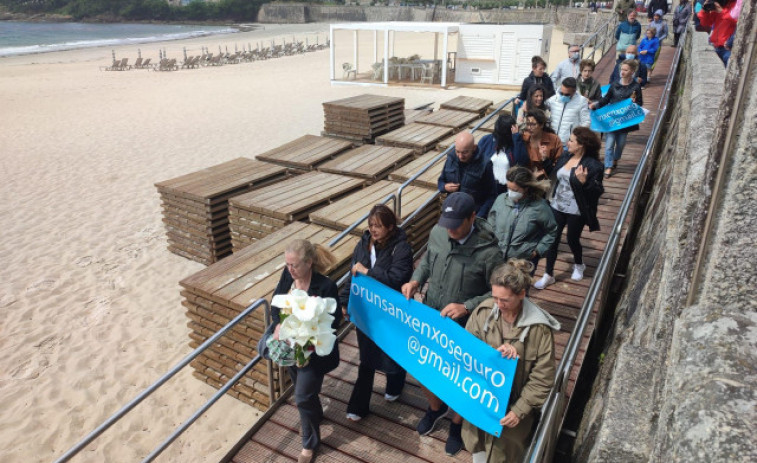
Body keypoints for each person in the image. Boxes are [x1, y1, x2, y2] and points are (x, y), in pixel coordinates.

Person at [401, 192, 503, 456]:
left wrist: (467, 306)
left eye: (457, 224)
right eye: (448, 224)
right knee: (421, 365)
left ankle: (457, 423)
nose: (451, 231)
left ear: (473, 217)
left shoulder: (489, 251)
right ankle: (436, 408)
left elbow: (499, 293)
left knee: (461, 377)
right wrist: (415, 279)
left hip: (467, 326)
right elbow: (426, 261)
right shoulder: (438, 232)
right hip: (432, 314)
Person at [462, 259, 560, 463]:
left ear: (522, 294)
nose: (498, 305)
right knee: (477, 450)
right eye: (495, 297)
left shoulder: (539, 330)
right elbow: (466, 353)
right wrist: (493, 355)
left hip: (513, 414)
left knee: (505, 455)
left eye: (505, 300)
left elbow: (542, 379)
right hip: (481, 405)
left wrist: (519, 411)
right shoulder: (483, 313)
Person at [339, 204, 413, 422]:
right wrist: (345, 301)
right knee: (367, 359)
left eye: (378, 226)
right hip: (367, 311)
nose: (373, 229)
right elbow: (353, 275)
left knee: (393, 351)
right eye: (371, 225)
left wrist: (369, 272)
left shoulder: (401, 249)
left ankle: (395, 383)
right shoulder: (362, 245)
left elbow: (397, 278)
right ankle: (358, 405)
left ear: (390, 227)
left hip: (391, 312)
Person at [271, 239, 341, 463]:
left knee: (301, 397)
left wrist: (309, 337)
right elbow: (276, 304)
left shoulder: (326, 286)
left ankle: (309, 445)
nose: (290, 269)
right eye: (287, 264)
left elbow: (335, 319)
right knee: (306, 394)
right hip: (291, 348)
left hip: (314, 352)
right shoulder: (287, 276)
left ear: (309, 262)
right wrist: (278, 325)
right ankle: (317, 414)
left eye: (294, 265)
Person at [534, 127, 604, 289]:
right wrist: (545, 159)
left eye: (571, 141)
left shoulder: (593, 166)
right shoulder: (566, 156)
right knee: (553, 239)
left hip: (576, 210)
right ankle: (548, 274)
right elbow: (554, 173)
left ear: (581, 145)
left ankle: (579, 264)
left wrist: (584, 183)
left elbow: (597, 192)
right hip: (556, 205)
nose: (568, 143)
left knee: (572, 239)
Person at [488, 167, 558, 272]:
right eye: (508, 188)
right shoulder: (501, 199)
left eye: (515, 190)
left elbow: (552, 231)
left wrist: (538, 251)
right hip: (497, 258)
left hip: (522, 262)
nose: (510, 192)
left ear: (526, 188)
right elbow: (491, 221)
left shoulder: (539, 207)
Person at [592, 59, 644, 178]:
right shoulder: (614, 84)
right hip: (612, 120)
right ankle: (608, 166)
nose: (622, 72)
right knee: (609, 144)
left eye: (625, 70)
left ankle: (616, 158)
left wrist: (635, 103)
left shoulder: (636, 86)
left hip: (625, 122)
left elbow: (640, 103)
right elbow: (606, 99)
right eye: (622, 69)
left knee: (620, 144)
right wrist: (596, 105)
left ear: (632, 71)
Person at [438, 131, 497, 218]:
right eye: (457, 151)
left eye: (464, 152)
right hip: (451, 212)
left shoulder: (485, 164)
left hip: (471, 216)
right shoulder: (451, 159)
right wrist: (445, 187)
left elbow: (491, 195)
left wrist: (478, 217)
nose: (460, 156)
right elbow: (441, 181)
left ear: (474, 148)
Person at [478, 114, 531, 195]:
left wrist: (516, 137)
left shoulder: (516, 143)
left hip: (507, 189)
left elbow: (522, 162)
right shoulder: (486, 140)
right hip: (487, 186)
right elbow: (477, 161)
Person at [544, 77, 591, 146]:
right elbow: (541, 107)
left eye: (567, 94)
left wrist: (576, 138)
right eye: (561, 93)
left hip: (568, 144)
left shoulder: (581, 101)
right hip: (552, 140)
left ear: (574, 91)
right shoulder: (554, 99)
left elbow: (586, 122)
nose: (563, 96)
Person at [521, 109, 563, 178]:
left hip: (548, 179)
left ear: (541, 125)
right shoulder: (524, 138)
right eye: (528, 124)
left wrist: (545, 160)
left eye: (533, 124)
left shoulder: (554, 139)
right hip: (526, 180)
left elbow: (559, 165)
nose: (529, 127)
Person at [697, 0, 738, 66]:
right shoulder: (720, 4)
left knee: (727, 63)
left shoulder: (737, 5)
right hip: (716, 46)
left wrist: (722, 11)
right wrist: (704, 10)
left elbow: (737, 21)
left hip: (727, 47)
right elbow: (705, 22)